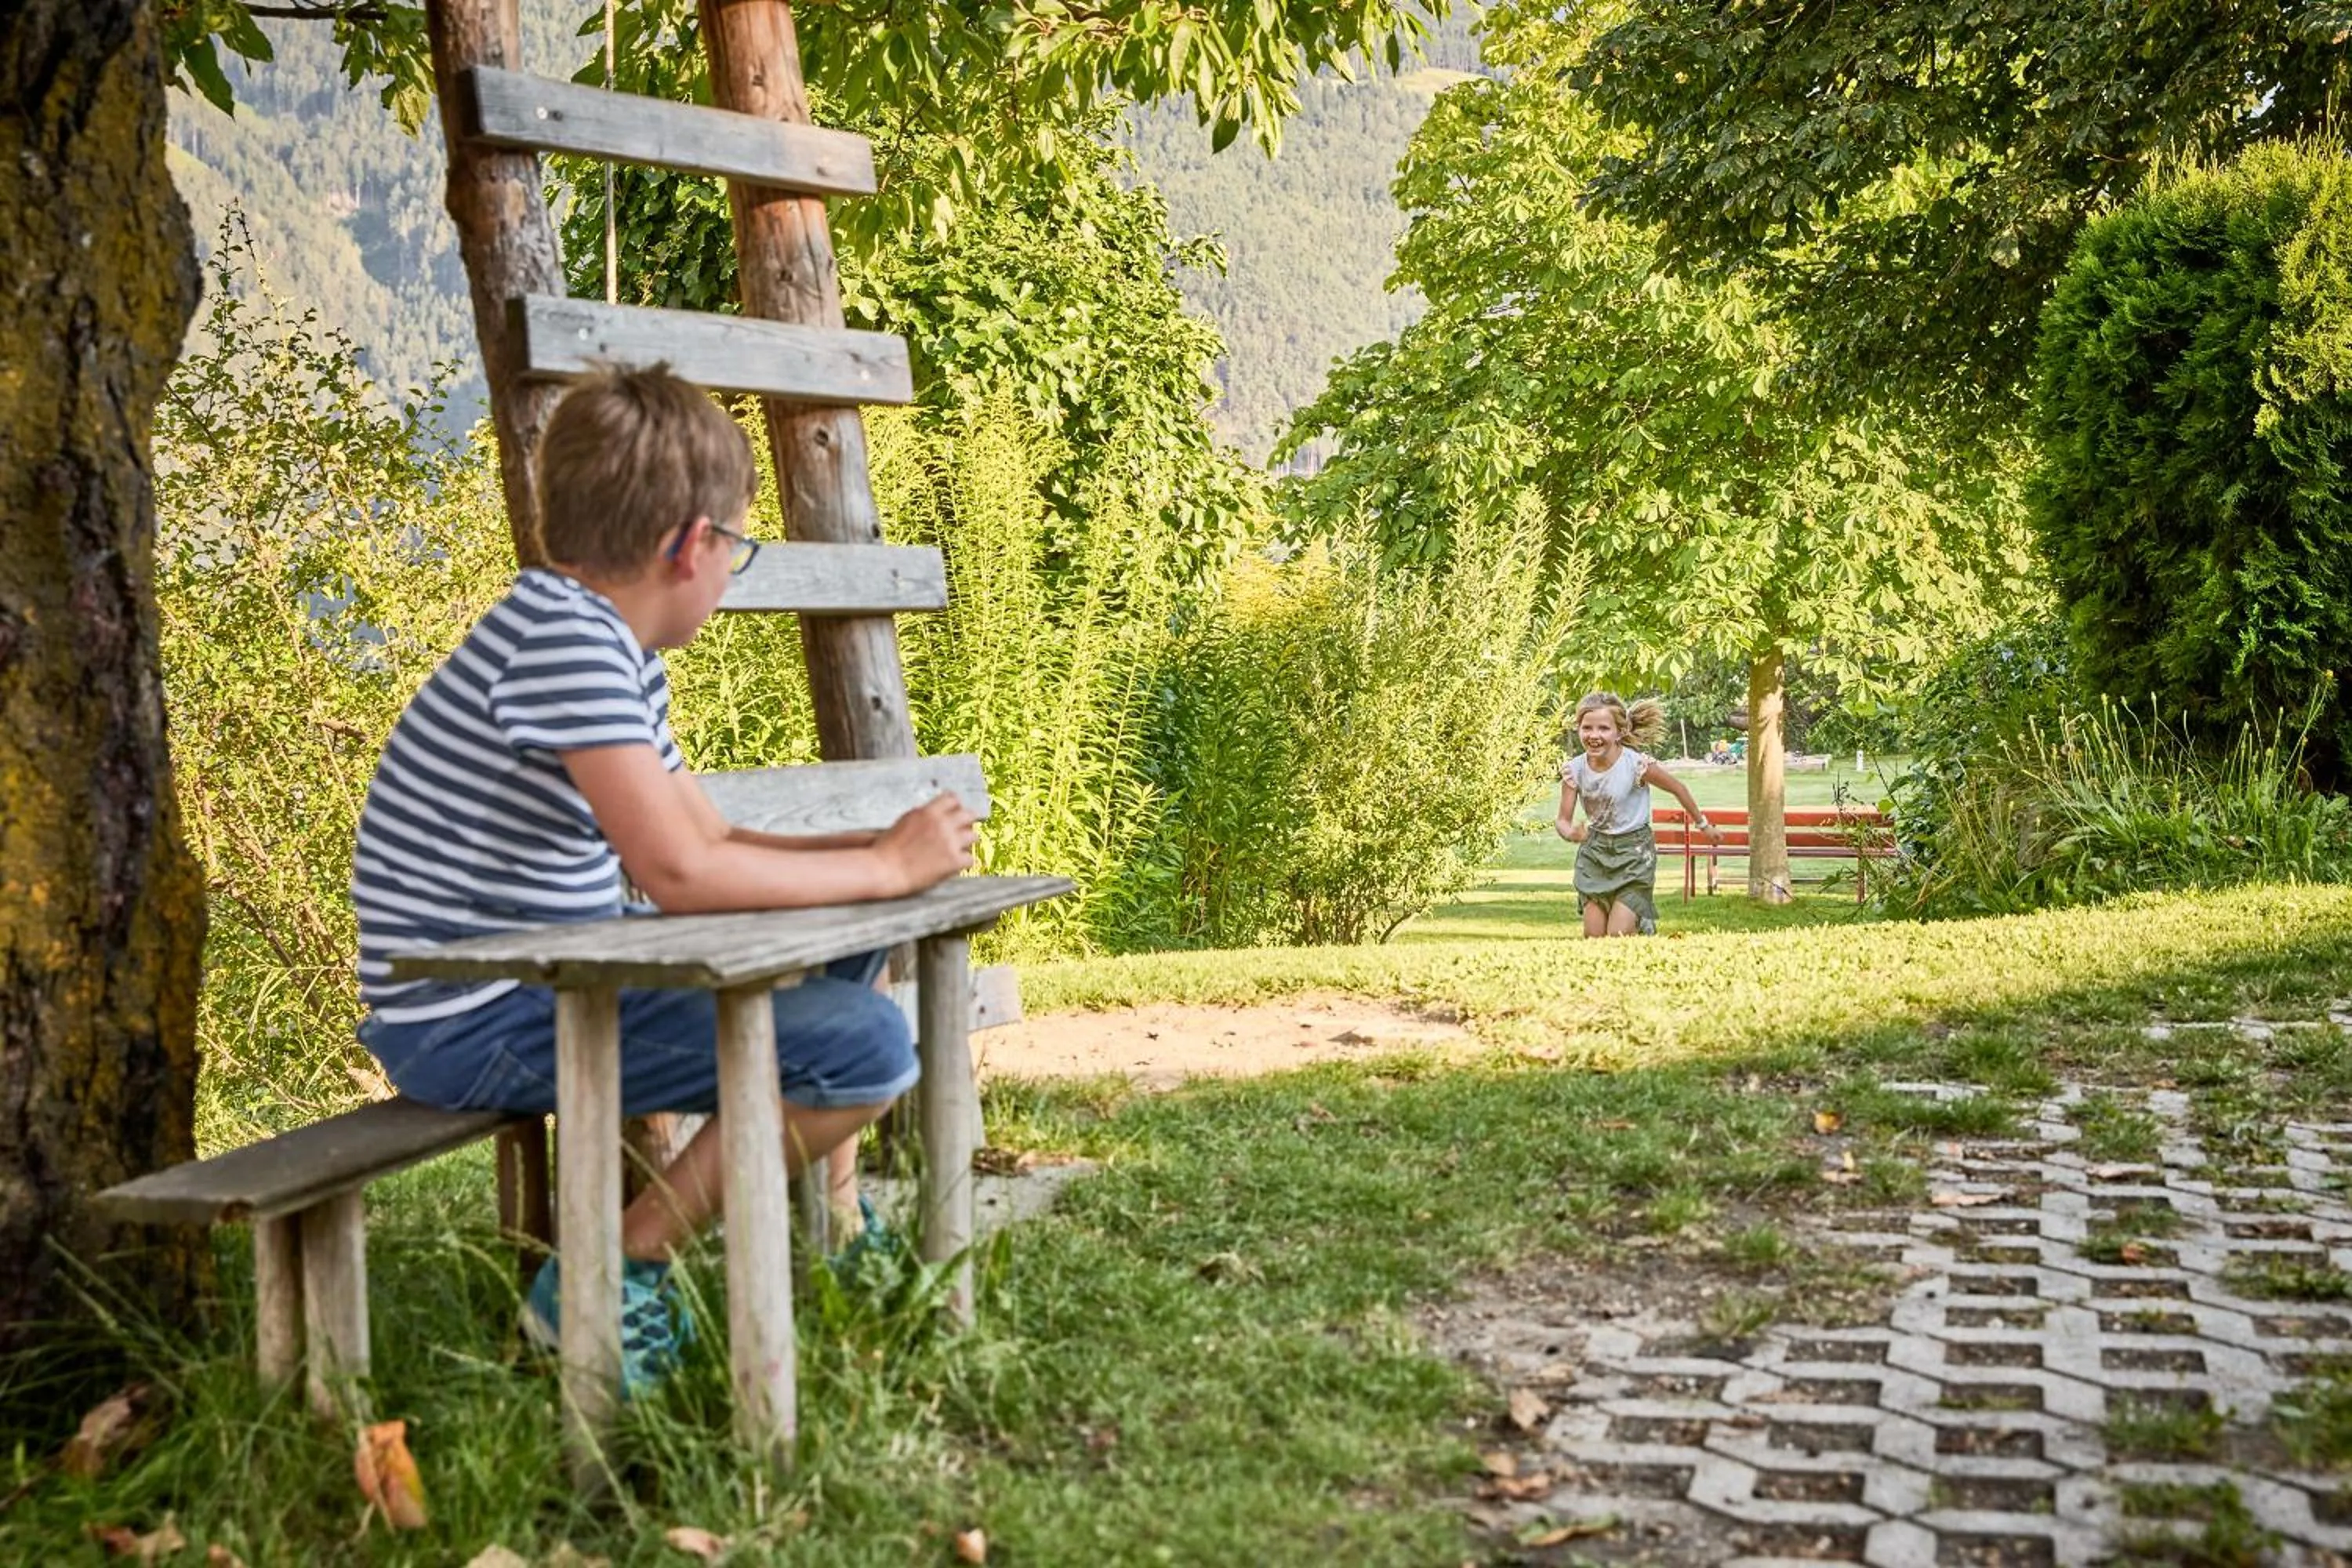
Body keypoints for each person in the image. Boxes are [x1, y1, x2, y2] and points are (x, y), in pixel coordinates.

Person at [349, 364, 975, 1394]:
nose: (732, 570)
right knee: (867, 1047)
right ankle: (618, 1266)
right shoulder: (565, 645)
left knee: (865, 918)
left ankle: (835, 1225)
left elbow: (703, 831)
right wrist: (882, 861)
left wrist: (877, 860)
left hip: (540, 986)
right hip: (474, 1020)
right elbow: (679, 873)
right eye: (736, 545)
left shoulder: (601, 640)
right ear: (692, 545)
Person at [1555, 691, 1722, 937]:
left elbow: (1678, 788)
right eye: (1587, 728)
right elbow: (1563, 820)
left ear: (1619, 732)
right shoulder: (1575, 770)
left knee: (1617, 936)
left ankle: (1639, 923)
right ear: (1578, 729)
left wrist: (1703, 825)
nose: (1594, 735)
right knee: (1593, 937)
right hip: (1595, 854)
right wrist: (1571, 833)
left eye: (1603, 728)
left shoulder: (1637, 766)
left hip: (1634, 853)